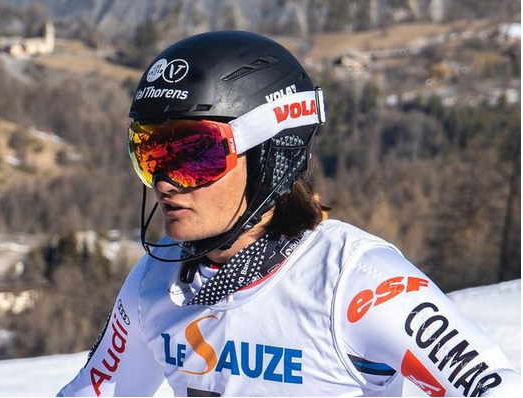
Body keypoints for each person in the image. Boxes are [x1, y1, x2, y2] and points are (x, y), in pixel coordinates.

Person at [58, 31, 521, 397]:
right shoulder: (156, 279)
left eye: (196, 154)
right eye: (150, 154)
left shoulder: (356, 283)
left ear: (272, 157)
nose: (164, 181)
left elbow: (493, 384)